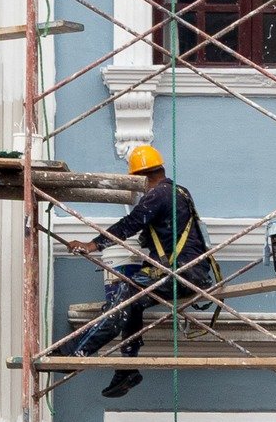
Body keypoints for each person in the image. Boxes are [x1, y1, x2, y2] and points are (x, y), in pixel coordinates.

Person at [63, 144, 216, 399]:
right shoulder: (180, 192)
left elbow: (130, 224)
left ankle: (77, 352)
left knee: (123, 299)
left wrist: (93, 244)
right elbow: (158, 231)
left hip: (182, 273)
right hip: (191, 272)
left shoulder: (158, 195)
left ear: (141, 177)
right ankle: (127, 368)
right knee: (131, 303)